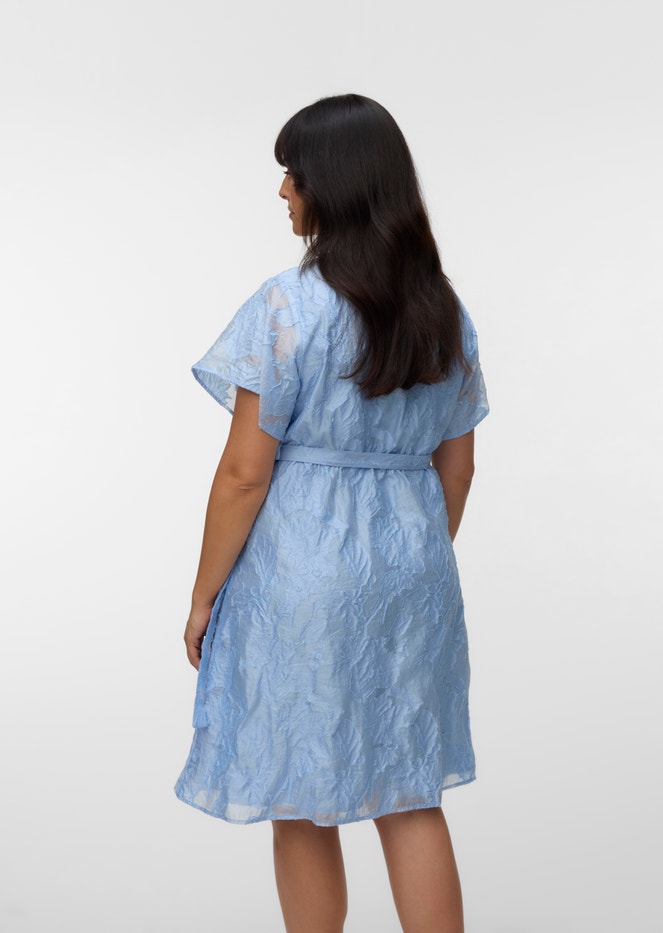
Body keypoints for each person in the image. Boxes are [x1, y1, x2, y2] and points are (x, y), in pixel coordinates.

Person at [175, 93, 489, 933]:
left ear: (334, 185)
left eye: (294, 173)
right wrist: (411, 555)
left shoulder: (286, 307)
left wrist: (203, 596)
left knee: (300, 786)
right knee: (409, 786)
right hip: (415, 571)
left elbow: (244, 473)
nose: (283, 190)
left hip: (302, 571)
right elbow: (458, 466)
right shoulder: (442, 310)